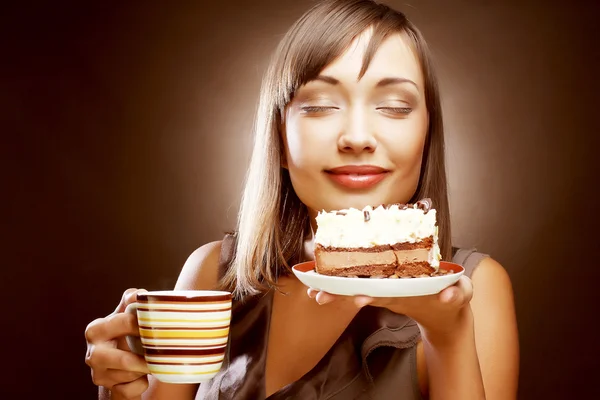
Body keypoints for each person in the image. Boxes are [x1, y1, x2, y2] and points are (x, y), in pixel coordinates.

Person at [84, 0, 519, 399]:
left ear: (427, 133)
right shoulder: (211, 275)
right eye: (319, 106)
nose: (356, 138)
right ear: (279, 137)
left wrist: (448, 335)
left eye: (393, 106)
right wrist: (123, 387)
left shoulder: (473, 289)